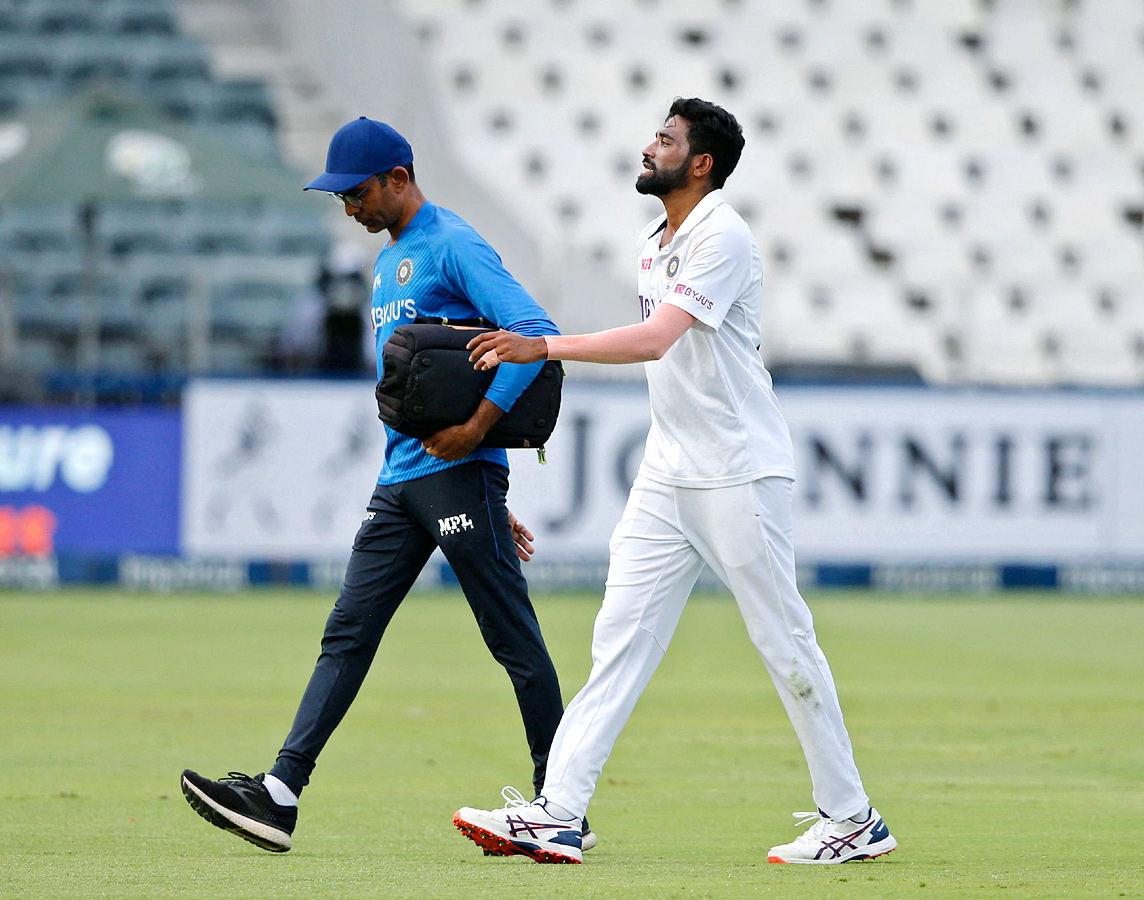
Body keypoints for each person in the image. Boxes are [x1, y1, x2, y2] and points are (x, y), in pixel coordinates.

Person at [453, 98, 896, 865]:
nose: (648, 146)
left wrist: (544, 348)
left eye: (665, 139)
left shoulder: (723, 235)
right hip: (668, 470)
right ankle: (559, 811)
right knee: (619, 640)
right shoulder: (654, 239)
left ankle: (852, 817)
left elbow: (658, 341)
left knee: (785, 645)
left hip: (736, 469)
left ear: (701, 164)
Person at [180, 116, 594, 854]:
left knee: (513, 642)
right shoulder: (388, 258)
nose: (349, 207)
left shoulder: (455, 244)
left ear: (398, 178)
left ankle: (563, 806)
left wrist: (478, 437)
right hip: (400, 482)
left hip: (457, 476)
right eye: (341, 196)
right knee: (347, 634)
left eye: (357, 192)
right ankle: (279, 795)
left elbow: (532, 333)